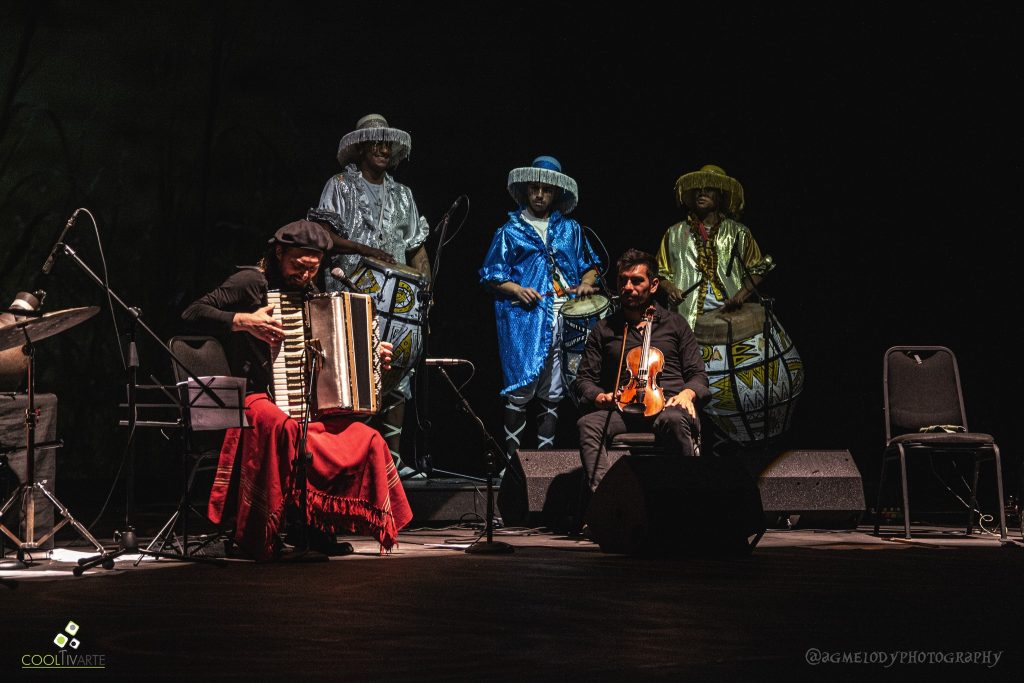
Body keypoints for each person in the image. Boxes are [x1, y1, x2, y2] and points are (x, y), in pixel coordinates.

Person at [181, 220, 412, 561]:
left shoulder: (313, 294)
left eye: (312, 268)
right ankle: (263, 533)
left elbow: (333, 351)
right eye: (298, 266)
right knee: (287, 429)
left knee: (364, 438)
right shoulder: (251, 283)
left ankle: (318, 525)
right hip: (254, 397)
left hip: (304, 402)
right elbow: (191, 313)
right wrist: (244, 321)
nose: (304, 275)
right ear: (278, 253)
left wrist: (371, 353)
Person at [313, 113, 430, 480]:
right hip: (351, 288)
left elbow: (417, 248)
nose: (382, 148)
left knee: (399, 371)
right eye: (375, 142)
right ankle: (349, 460)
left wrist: (425, 283)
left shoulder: (403, 194)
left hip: (398, 299)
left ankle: (392, 460)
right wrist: (365, 249)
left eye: (387, 143)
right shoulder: (339, 186)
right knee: (353, 375)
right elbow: (322, 236)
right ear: (361, 146)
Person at [480, 155, 601, 465]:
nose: (539, 195)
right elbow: (491, 274)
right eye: (534, 189)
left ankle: (544, 464)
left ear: (555, 193)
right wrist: (517, 289)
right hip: (525, 317)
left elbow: (591, 267)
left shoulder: (571, 230)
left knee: (553, 388)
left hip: (566, 314)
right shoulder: (510, 230)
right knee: (521, 387)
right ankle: (513, 464)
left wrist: (586, 283)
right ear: (526, 190)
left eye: (546, 190)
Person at [574, 249, 709, 492]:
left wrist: (687, 394)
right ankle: (607, 503)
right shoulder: (605, 329)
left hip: (668, 406)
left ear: (654, 285)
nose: (628, 287)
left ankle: (685, 497)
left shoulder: (675, 324)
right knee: (588, 424)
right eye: (623, 280)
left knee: (674, 419)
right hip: (624, 410)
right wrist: (600, 397)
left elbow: (698, 374)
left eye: (637, 281)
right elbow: (584, 379)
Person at [656, 164, 774, 329]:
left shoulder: (739, 232)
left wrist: (740, 296)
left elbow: (759, 268)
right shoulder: (674, 233)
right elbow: (659, 272)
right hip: (686, 316)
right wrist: (671, 289)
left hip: (730, 315)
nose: (702, 192)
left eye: (709, 188)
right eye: (698, 188)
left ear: (720, 197)